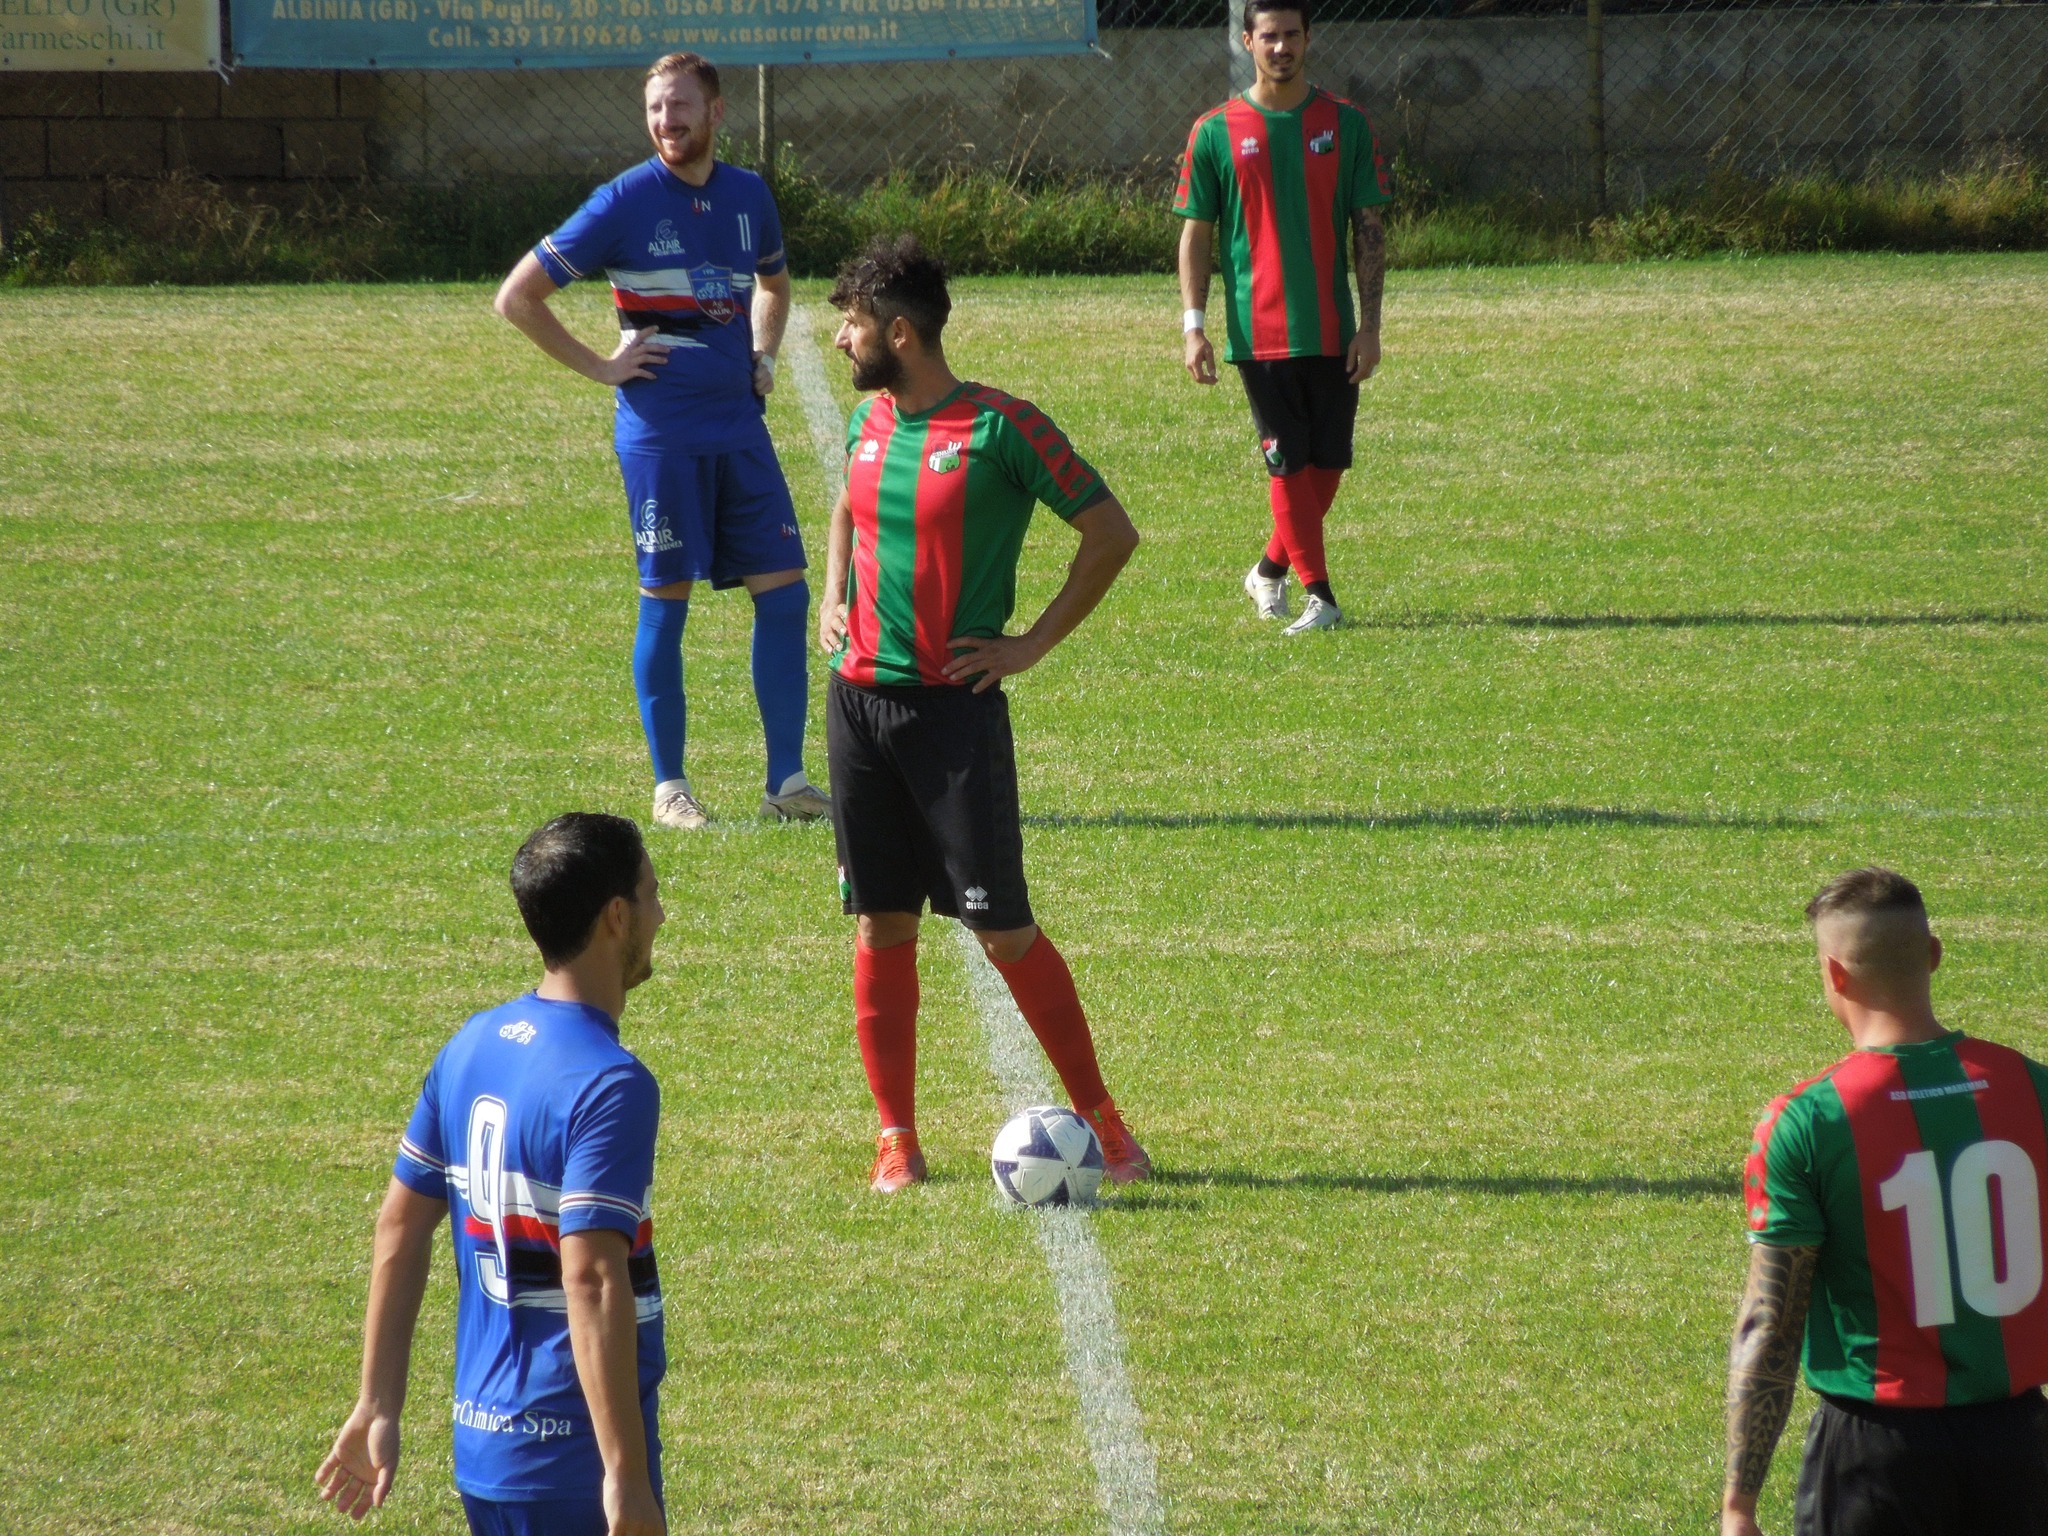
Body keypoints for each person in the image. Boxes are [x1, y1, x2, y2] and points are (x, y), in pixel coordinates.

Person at [816, 235, 1152, 1194]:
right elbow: (847, 503)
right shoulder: (868, 422)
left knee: (1002, 932)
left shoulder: (1004, 428)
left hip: (954, 718)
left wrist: (1030, 645)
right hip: (859, 712)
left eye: (853, 323)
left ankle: (1104, 1123)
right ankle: (897, 1139)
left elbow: (1109, 532)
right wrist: (832, 593)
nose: (842, 339)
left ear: (902, 331)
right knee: (881, 927)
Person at [495, 52, 829, 832]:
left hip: (739, 431)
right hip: (662, 440)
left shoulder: (750, 196)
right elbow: (518, 297)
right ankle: (671, 790)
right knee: (665, 604)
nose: (665, 122)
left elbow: (773, 284)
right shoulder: (622, 201)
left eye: (679, 107)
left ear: (716, 112)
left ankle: (788, 783)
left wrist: (766, 355)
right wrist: (604, 367)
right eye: (654, 110)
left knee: (785, 593)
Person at [317, 813, 670, 1536]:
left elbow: (399, 1224)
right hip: (574, 1460)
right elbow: (593, 1279)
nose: (661, 915)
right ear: (614, 917)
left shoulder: (471, 1046)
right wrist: (625, 1479)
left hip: (485, 1450)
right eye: (652, 894)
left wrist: (377, 1404)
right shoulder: (611, 1083)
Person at [1723, 867, 2048, 1536]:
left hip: (1874, 1456)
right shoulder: (2033, 1089)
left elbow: (1770, 1328)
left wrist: (1739, 1503)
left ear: (1834, 975)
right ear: (1933, 954)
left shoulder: (1808, 1122)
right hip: (2020, 1445)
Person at [1173, 0, 1394, 635]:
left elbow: (1369, 229)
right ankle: (1319, 596)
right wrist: (1194, 325)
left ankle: (1269, 569)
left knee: (1327, 466)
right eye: (1268, 36)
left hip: (1331, 327)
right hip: (1259, 335)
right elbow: (1196, 234)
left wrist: (1371, 326)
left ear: (1308, 39)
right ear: (1247, 41)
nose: (1281, 47)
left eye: (1291, 35)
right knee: (1287, 464)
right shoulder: (1214, 130)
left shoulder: (1345, 124)